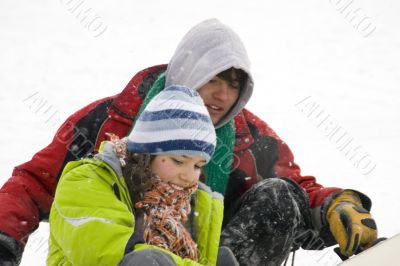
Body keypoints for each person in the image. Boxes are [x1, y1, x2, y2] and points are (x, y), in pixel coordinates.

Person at [0, 18, 377, 266]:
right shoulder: (108, 121)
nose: (222, 95)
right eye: (214, 79)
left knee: (280, 195)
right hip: (124, 248)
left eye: (233, 84)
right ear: (188, 70)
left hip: (208, 249)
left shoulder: (249, 137)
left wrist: (332, 206)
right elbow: (35, 183)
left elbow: (296, 188)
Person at [47, 84, 238, 265]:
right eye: (179, 161)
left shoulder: (194, 205)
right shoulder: (86, 182)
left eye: (197, 166)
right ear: (146, 154)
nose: (189, 177)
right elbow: (114, 252)